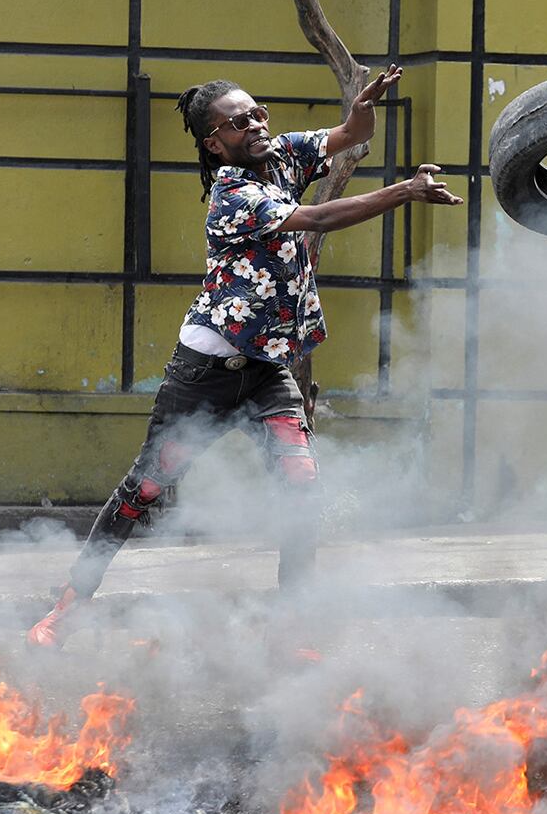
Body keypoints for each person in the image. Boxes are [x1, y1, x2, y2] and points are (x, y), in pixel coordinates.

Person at [27, 67, 463, 647]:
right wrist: (403, 191)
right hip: (205, 372)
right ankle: (69, 604)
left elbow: (349, 134)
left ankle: (293, 624)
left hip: (265, 370)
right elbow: (317, 217)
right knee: (146, 491)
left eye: (259, 114)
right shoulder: (232, 195)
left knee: (302, 486)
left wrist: (364, 106)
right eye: (240, 122)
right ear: (214, 141)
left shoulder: (282, 156)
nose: (257, 125)